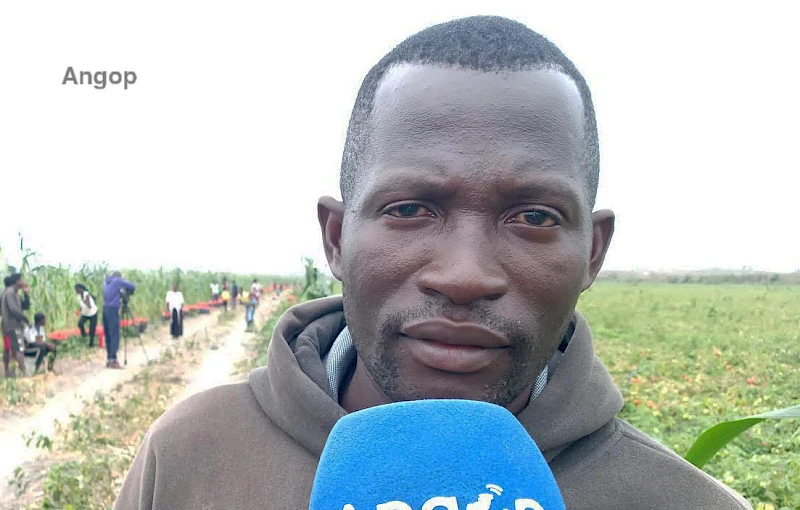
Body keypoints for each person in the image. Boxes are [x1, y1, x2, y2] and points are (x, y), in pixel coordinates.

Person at [115, 17, 751, 510]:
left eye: (532, 217)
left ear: (592, 251)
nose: (465, 274)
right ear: (335, 238)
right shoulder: (191, 454)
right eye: (412, 208)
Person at [102, 271, 136, 369]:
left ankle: (109, 359)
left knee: (108, 335)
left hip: (105, 309)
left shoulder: (106, 282)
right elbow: (132, 286)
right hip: (113, 309)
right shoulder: (117, 281)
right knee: (115, 335)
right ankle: (113, 361)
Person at [2, 274, 30, 377]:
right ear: (17, 281)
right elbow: (14, 310)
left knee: (12, 350)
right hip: (13, 325)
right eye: (21, 279)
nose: (23, 281)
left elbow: (25, 306)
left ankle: (11, 373)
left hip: (9, 325)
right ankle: (24, 373)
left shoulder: (13, 293)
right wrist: (24, 318)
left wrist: (26, 292)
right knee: (19, 349)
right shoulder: (10, 293)